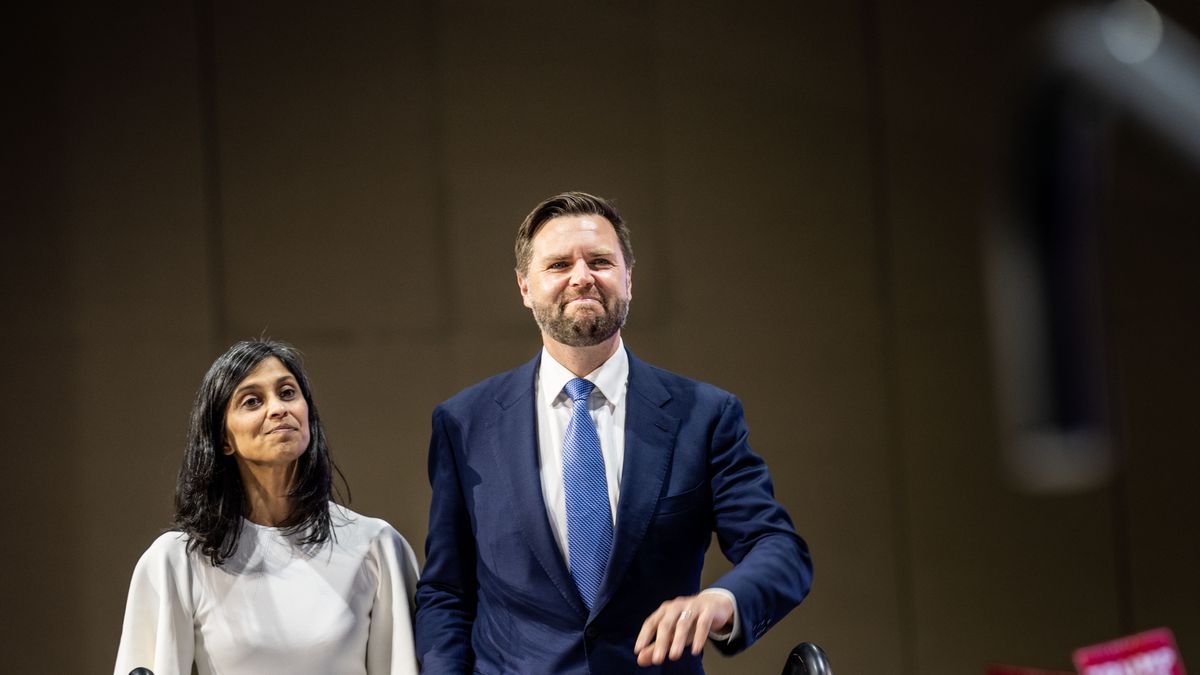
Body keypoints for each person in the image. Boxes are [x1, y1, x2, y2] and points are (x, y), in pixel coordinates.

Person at [415, 192, 812, 673]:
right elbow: (446, 592)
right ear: (524, 287)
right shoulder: (464, 423)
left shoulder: (704, 415)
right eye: (558, 264)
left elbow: (779, 549)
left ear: (628, 278)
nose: (581, 276)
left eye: (600, 261)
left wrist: (721, 600)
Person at [114, 339, 419, 675]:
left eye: (287, 393)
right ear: (224, 439)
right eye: (252, 401)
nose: (278, 408)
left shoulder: (376, 546)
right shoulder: (176, 560)